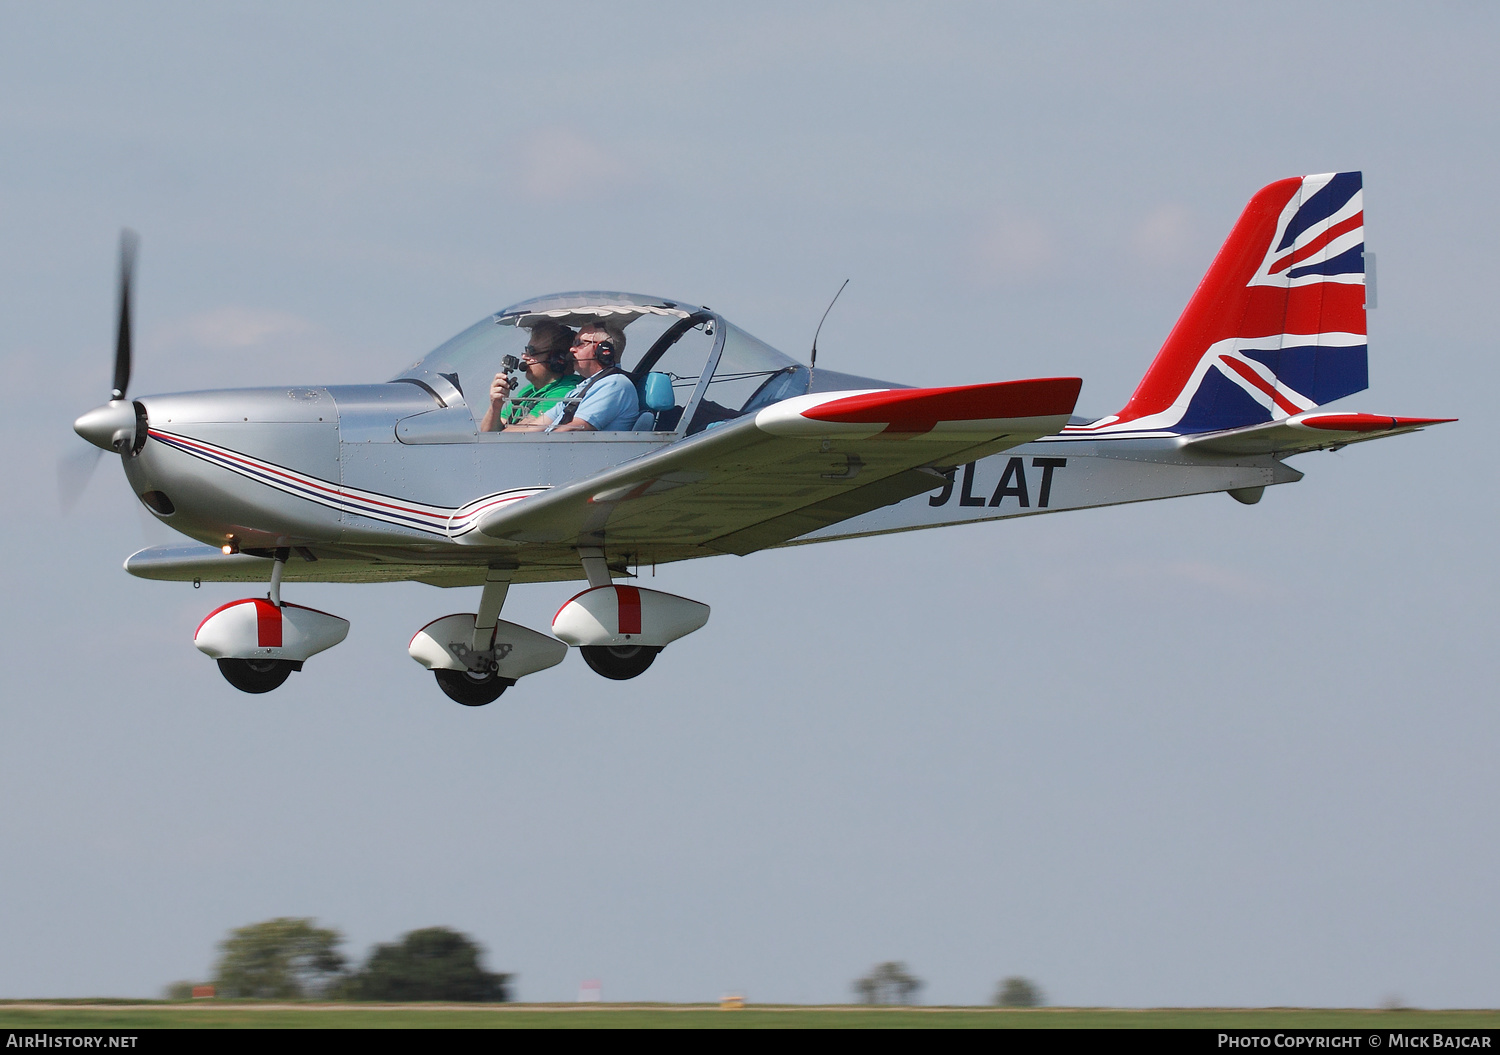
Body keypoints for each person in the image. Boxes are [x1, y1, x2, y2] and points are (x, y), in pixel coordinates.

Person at [509, 322, 640, 433]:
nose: (571, 349)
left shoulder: (614, 385)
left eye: (579, 343)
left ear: (603, 350)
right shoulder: (579, 390)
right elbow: (536, 426)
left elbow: (573, 431)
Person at [480, 321, 580, 432]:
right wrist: (496, 406)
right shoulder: (529, 391)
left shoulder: (567, 390)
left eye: (532, 351)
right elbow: (486, 434)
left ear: (556, 360)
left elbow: (522, 434)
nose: (524, 356)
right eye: (526, 350)